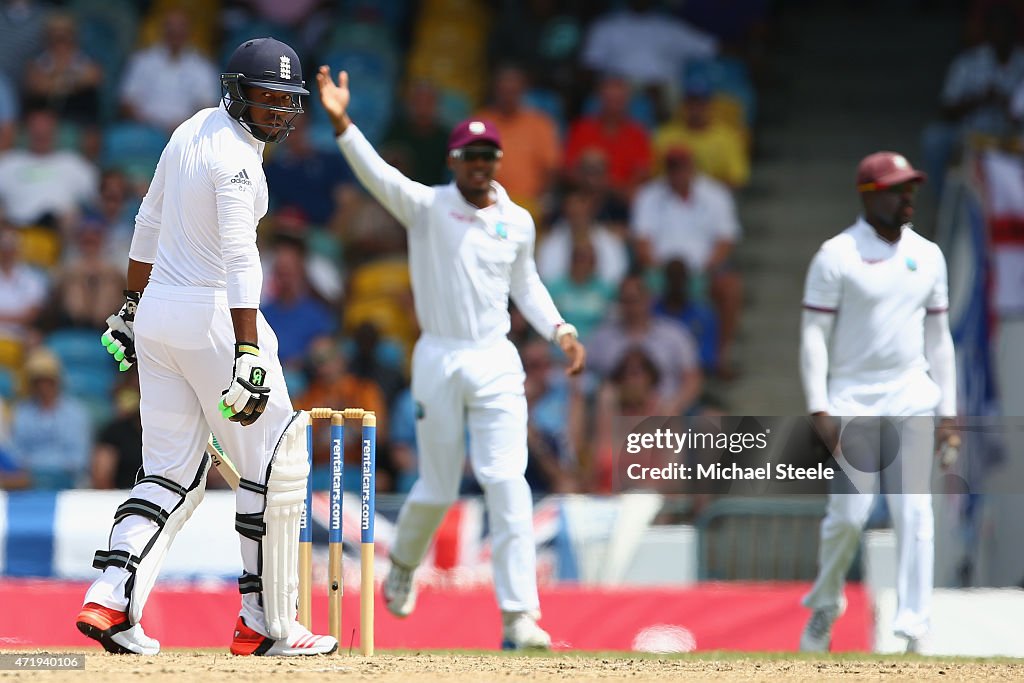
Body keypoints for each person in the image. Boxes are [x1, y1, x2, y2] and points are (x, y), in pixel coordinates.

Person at [77, 38, 337, 657]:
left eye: (285, 100)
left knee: (169, 472)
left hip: (161, 315)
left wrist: (131, 308)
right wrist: (247, 351)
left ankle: (111, 598)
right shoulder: (239, 162)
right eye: (264, 97)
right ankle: (268, 626)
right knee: (278, 463)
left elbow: (148, 220)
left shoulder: (192, 128)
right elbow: (241, 257)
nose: (275, 111)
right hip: (214, 316)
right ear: (234, 92)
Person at [317, 66, 587, 649]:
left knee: (505, 481)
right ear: (453, 161)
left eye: (488, 155)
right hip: (438, 358)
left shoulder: (517, 222)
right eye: (470, 156)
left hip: (495, 360)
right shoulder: (429, 207)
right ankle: (407, 566)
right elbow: (376, 175)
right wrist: (342, 122)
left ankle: (519, 619)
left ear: (497, 159)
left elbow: (529, 285)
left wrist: (561, 329)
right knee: (437, 487)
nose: (480, 165)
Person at [798, 152, 958, 654]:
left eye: (910, 186)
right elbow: (812, 336)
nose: (907, 195)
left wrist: (949, 412)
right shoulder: (836, 254)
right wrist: (820, 407)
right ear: (868, 195)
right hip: (853, 398)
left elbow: (939, 339)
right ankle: (826, 604)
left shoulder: (928, 255)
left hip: (912, 393)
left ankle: (913, 627)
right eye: (895, 188)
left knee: (915, 512)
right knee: (849, 515)